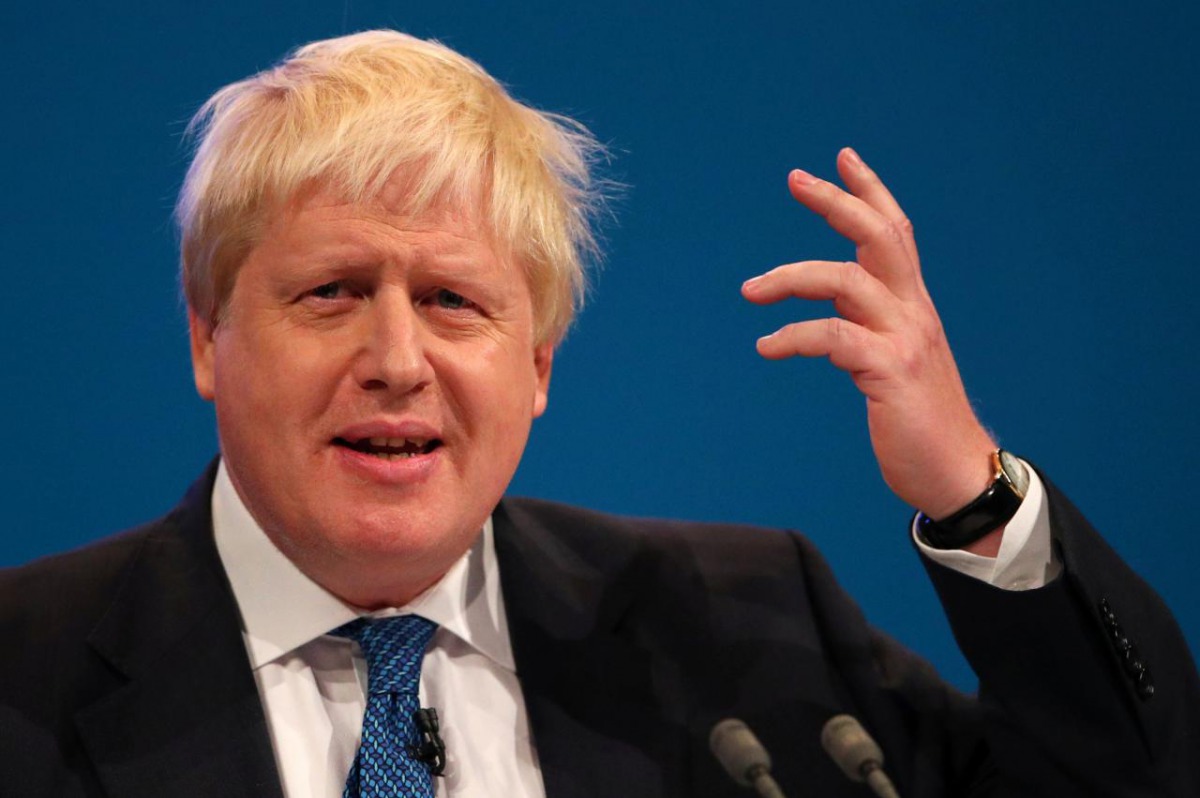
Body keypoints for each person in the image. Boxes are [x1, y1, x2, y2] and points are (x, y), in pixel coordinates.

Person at [1, 29, 1195, 798]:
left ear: (538, 366)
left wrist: (972, 492)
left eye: (455, 301)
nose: (397, 359)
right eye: (332, 294)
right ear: (209, 338)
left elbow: (1134, 782)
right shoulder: (24, 672)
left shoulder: (742, 626)